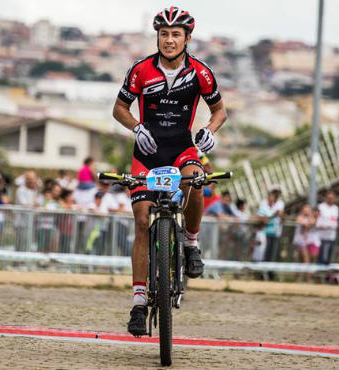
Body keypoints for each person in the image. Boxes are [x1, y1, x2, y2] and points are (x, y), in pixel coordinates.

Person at [112, 6, 227, 336]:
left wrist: (210, 131)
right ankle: (137, 302)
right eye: (164, 34)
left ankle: (190, 243)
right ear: (158, 37)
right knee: (139, 218)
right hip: (147, 152)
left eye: (176, 34)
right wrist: (136, 128)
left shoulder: (201, 73)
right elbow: (120, 107)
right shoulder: (140, 71)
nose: (169, 40)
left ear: (187, 38)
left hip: (182, 149)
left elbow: (219, 110)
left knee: (196, 180)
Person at [316, 190, 339, 264]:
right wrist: (326, 226)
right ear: (325, 198)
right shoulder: (320, 207)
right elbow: (317, 222)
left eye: (332, 198)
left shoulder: (336, 208)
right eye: (329, 198)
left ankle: (327, 275)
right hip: (322, 237)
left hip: (332, 237)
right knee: (322, 258)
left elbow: (335, 221)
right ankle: (319, 274)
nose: (331, 200)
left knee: (329, 259)